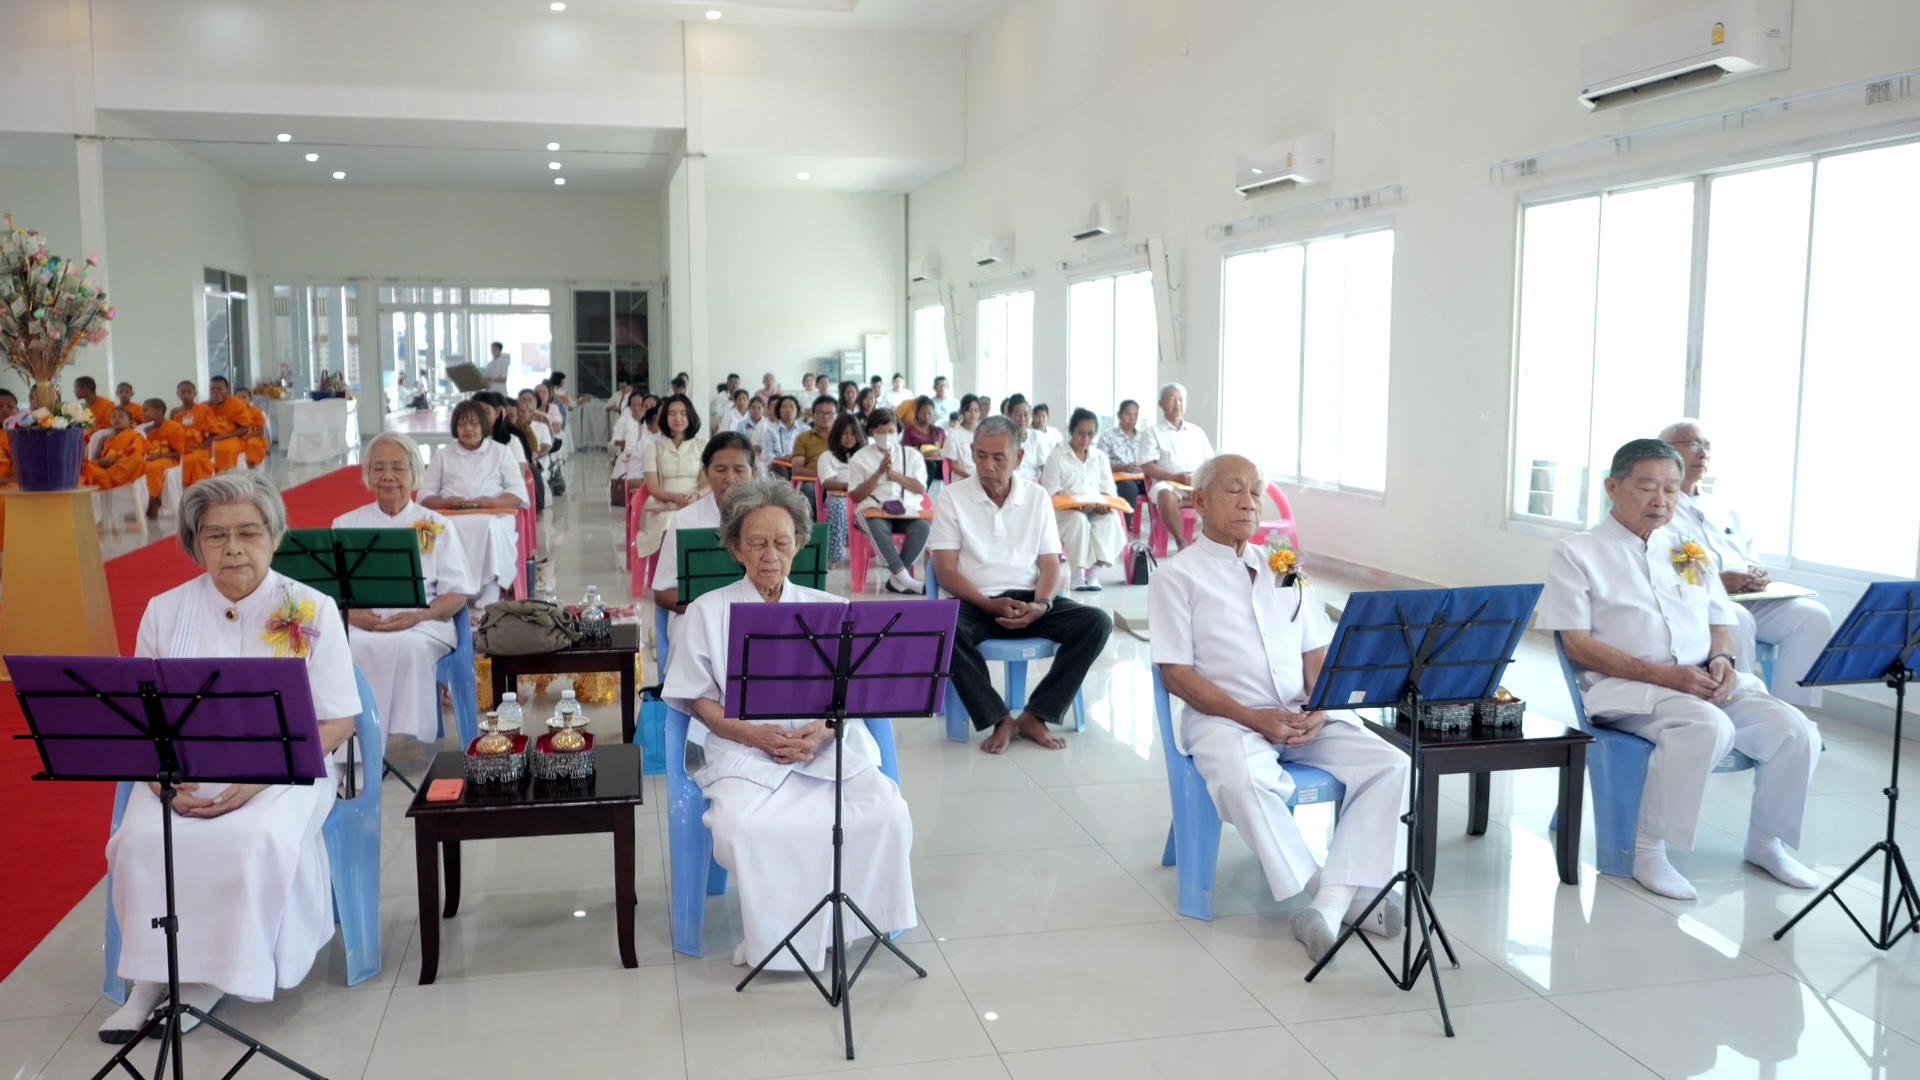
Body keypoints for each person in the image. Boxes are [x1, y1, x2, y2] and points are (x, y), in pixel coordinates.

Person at [98, 473, 359, 1042]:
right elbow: (143, 718)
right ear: (195, 543)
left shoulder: (311, 608)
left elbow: (339, 720)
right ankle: (147, 980)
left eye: (248, 532)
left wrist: (262, 777)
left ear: (274, 535)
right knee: (141, 841)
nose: (233, 547)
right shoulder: (164, 610)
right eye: (215, 535)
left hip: (287, 770)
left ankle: (212, 976)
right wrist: (159, 778)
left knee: (248, 839)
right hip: (184, 771)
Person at [1150, 453, 1411, 961]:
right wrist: (1253, 719)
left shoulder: (1282, 566)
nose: (1249, 502)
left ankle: (1332, 905)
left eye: (1256, 491)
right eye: (1234, 491)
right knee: (1245, 780)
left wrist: (1319, 707)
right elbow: (1175, 674)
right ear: (1199, 502)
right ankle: (1329, 896)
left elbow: (1315, 649)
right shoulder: (1176, 577)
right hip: (1228, 719)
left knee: (1393, 763)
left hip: (1301, 714)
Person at [1538, 438, 1820, 901]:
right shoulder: (1577, 552)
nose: (1661, 500)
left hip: (1702, 681)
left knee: (1795, 728)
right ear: (1613, 486)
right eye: (1647, 486)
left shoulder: (1688, 549)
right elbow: (1578, 647)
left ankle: (1767, 842)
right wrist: (1667, 677)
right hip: (1628, 689)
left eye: (1671, 489)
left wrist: (1723, 661)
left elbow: (1720, 623)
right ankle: (1647, 848)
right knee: (1704, 725)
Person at [664, 479, 914, 969]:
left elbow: (852, 693)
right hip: (744, 752)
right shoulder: (706, 611)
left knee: (885, 812)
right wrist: (754, 734)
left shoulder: (832, 610)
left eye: (782, 542)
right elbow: (695, 699)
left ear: (800, 543)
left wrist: (823, 729)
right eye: (756, 543)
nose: (770, 555)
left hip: (824, 748)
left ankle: (855, 922)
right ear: (736, 547)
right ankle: (781, 939)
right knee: (749, 828)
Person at [930, 416, 1113, 754]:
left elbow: (1049, 564)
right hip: (975, 602)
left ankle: (1037, 714)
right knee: (940, 629)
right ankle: (1000, 719)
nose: (988, 465)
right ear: (971, 452)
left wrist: (1041, 605)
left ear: (1018, 457)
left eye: (999, 457)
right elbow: (945, 572)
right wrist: (988, 605)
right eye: (981, 455)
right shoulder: (951, 498)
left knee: (1097, 623)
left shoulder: (1037, 497)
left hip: (1031, 601)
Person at [1660, 420, 1833, 709]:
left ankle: (1789, 712)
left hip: (1746, 596)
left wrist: (1759, 573)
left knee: (1812, 616)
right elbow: (1662, 565)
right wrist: (1715, 582)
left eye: (1707, 447)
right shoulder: (1659, 504)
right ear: (1666, 452)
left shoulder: (1723, 509)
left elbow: (1748, 556)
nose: (1702, 454)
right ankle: (1738, 711)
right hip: (1696, 602)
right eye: (1693, 445)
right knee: (1735, 619)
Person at [333, 433, 476, 743]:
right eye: (378, 467)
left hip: (424, 624)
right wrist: (353, 615)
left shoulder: (436, 524)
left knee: (410, 648)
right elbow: (330, 592)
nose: (387, 476)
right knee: (346, 648)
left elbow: (457, 594)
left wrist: (416, 617)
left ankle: (400, 733)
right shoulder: (345, 524)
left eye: (398, 467)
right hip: (363, 623)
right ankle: (356, 740)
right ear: (367, 475)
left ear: (414, 474)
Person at [420, 400, 525, 608]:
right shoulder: (442, 454)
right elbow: (424, 495)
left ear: (484, 426)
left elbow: (518, 492)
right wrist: (446, 502)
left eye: (474, 424)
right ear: (455, 428)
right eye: (462, 425)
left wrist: (491, 502)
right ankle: (442, 587)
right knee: (427, 528)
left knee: (489, 525)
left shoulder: (501, 452)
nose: (468, 429)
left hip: (492, 513)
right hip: (449, 514)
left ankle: (490, 585)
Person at [653, 432, 757, 616]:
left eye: (739, 470)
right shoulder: (685, 519)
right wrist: (711, 612)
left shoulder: (769, 518)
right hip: (699, 618)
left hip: (755, 618)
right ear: (706, 472)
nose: (729, 478)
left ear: (754, 473)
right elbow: (662, 593)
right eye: (720, 469)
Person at [848, 407, 930, 594]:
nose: (886, 436)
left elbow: (920, 488)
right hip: (871, 510)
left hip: (906, 511)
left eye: (891, 431)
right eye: (881, 432)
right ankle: (905, 580)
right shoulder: (860, 457)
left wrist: (894, 475)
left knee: (923, 527)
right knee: (877, 526)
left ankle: (896, 580)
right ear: (871, 432)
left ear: (898, 432)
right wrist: (878, 473)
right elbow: (856, 496)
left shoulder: (912, 455)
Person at [1044, 408, 1127, 592]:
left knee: (1111, 522)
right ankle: (1077, 574)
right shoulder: (1056, 456)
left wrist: (1105, 503)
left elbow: (1108, 489)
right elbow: (1052, 493)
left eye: (1090, 434)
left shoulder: (1099, 457)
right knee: (1078, 522)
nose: (1085, 439)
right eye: (1081, 433)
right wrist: (1076, 506)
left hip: (1095, 509)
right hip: (1065, 512)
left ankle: (1094, 574)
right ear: (1071, 430)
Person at [1140, 382, 1215, 553]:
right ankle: (1182, 544)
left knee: (1223, 493)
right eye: (1172, 399)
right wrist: (1175, 478)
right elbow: (1146, 465)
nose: (1177, 404)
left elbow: (1210, 462)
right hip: (1169, 484)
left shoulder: (1196, 432)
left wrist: (1199, 477)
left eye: (1181, 400)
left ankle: (1213, 544)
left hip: (1198, 483)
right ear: (1161, 403)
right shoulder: (1152, 432)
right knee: (1165, 495)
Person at [636, 394, 704, 559]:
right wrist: (675, 498)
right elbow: (652, 487)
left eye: (683, 413)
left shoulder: (702, 446)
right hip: (663, 504)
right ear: (665, 417)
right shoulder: (653, 447)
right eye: (672, 413)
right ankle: (671, 576)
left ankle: (694, 573)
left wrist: (695, 496)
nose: (678, 418)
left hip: (696, 504)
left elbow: (707, 484)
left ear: (690, 416)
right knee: (671, 521)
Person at [139, 398, 212, 518]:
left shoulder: (174, 427)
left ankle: (153, 500)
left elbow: (178, 453)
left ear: (158, 411)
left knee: (152, 468)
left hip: (170, 459)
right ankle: (143, 501)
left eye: (146, 410)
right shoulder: (143, 429)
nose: (143, 413)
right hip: (150, 458)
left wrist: (158, 456)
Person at [816, 412, 866, 568]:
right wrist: (847, 487)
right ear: (837, 435)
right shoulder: (827, 456)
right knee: (839, 506)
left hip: (863, 496)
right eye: (845, 433)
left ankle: (880, 552)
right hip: (839, 496)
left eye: (853, 433)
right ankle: (834, 556)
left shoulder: (865, 455)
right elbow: (827, 482)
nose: (849, 437)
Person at [1099, 398, 1146, 531]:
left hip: (1142, 478)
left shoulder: (1143, 438)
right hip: (1119, 480)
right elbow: (1101, 464)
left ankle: (1159, 528)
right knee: (1129, 488)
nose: (1132, 418)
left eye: (1135, 415)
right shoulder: (1108, 436)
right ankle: (1124, 527)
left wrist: (1142, 467)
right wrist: (1123, 467)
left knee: (1158, 487)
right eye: (1127, 414)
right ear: (1119, 415)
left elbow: (1152, 461)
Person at [81, 405, 149, 492]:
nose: (116, 419)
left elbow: (138, 454)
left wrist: (118, 462)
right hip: (104, 471)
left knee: (138, 459)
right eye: (113, 417)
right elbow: (93, 460)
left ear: (130, 422)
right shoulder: (104, 438)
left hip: (123, 469)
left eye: (121, 416)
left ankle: (111, 479)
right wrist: (101, 461)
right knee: (84, 466)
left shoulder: (135, 436)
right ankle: (106, 480)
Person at [203, 376, 252, 473]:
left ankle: (225, 478)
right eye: (212, 389)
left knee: (226, 449)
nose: (215, 392)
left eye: (219, 389)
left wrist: (225, 436)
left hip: (231, 437)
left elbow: (245, 428)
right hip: (208, 439)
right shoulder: (204, 406)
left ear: (227, 390)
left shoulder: (237, 404)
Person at [758, 395, 802, 478]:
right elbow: (766, 456)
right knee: (777, 468)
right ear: (779, 411)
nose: (788, 410)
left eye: (791, 406)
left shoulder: (805, 430)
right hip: (780, 466)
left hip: (801, 466)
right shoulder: (770, 431)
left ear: (797, 410)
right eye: (784, 407)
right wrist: (784, 458)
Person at [1001, 395, 1042, 482]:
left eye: (1026, 414)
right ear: (1009, 415)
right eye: (1017, 414)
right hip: (1011, 483)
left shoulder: (1037, 436)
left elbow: (1045, 467)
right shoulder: (1002, 438)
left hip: (1034, 484)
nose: (1022, 419)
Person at [943, 394, 981, 482]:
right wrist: (970, 477)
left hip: (981, 480)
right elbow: (953, 465)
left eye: (976, 410)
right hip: (961, 481)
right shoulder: (954, 434)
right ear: (961, 412)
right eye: (969, 410)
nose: (973, 414)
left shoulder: (983, 434)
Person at [229, 387, 269, 467]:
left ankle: (251, 469)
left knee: (253, 444)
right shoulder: (230, 412)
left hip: (252, 436)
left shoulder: (256, 412)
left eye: (244, 397)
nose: (240, 400)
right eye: (238, 397)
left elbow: (260, 430)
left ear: (250, 399)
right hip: (235, 437)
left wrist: (247, 436)